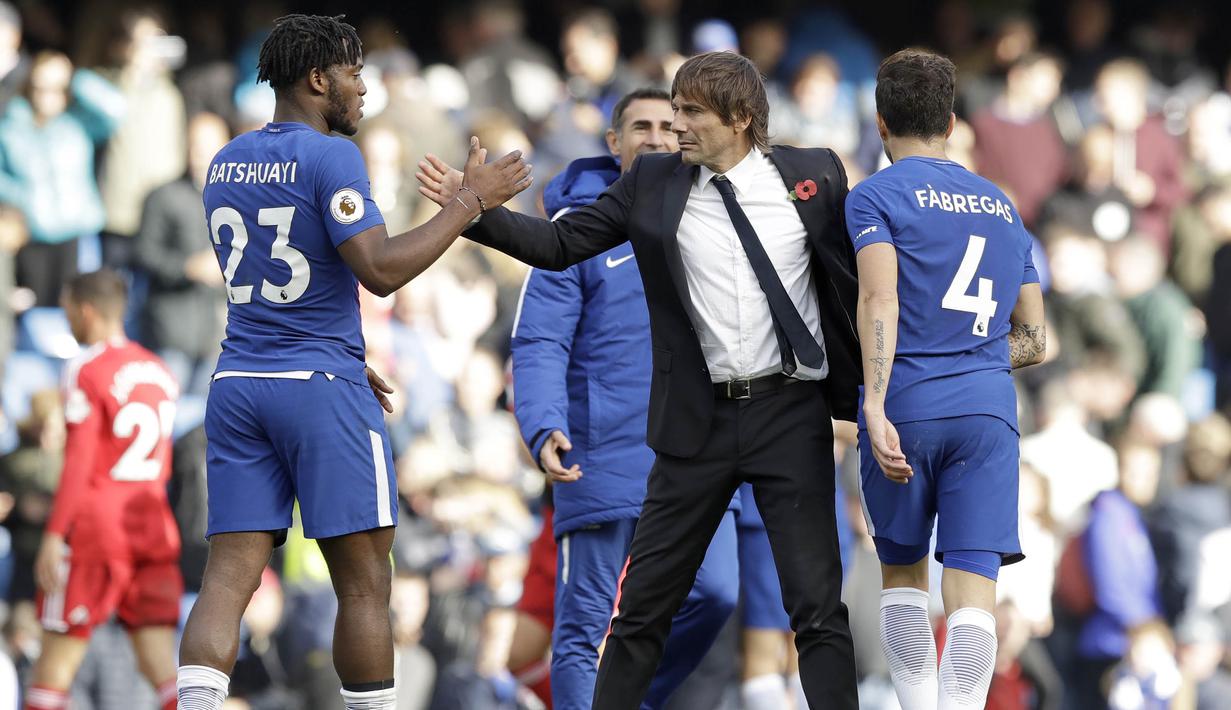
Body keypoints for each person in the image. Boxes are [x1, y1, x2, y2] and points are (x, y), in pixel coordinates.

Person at [418, 50, 860, 709]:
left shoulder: (793, 181)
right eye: (657, 119)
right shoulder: (623, 202)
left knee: (767, 601)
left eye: (683, 116)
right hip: (648, 439)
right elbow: (548, 291)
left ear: (738, 120)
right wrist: (473, 209)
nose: (669, 131)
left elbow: (843, 288)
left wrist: (856, 396)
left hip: (750, 426)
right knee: (614, 619)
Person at [174, 14, 531, 710]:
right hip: (317, 387)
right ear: (317, 78)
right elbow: (378, 270)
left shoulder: (226, 159)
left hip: (241, 379)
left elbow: (285, 281)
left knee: (227, 580)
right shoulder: (331, 155)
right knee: (365, 583)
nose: (364, 89)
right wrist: (468, 203)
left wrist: (337, 349)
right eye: (353, 72)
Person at [510, 87, 738, 710]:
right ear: (614, 144)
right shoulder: (575, 227)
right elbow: (538, 341)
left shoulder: (716, 221)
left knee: (717, 592)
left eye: (671, 125)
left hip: (696, 456)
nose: (659, 137)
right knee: (585, 624)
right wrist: (543, 423)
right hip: (603, 452)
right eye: (642, 126)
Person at [846, 49, 1046, 710]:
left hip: (907, 402)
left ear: (879, 123)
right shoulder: (1001, 207)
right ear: (951, 123)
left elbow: (879, 301)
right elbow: (1034, 338)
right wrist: (974, 356)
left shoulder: (874, 196)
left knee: (901, 574)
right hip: (987, 413)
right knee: (972, 595)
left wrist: (872, 402)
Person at [26, 269, 182, 710]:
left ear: (85, 311)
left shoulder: (86, 368)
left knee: (54, 666)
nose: (67, 321)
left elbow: (78, 462)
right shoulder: (161, 370)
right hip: (151, 523)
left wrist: (55, 535)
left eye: (67, 312)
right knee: (161, 669)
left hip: (97, 529)